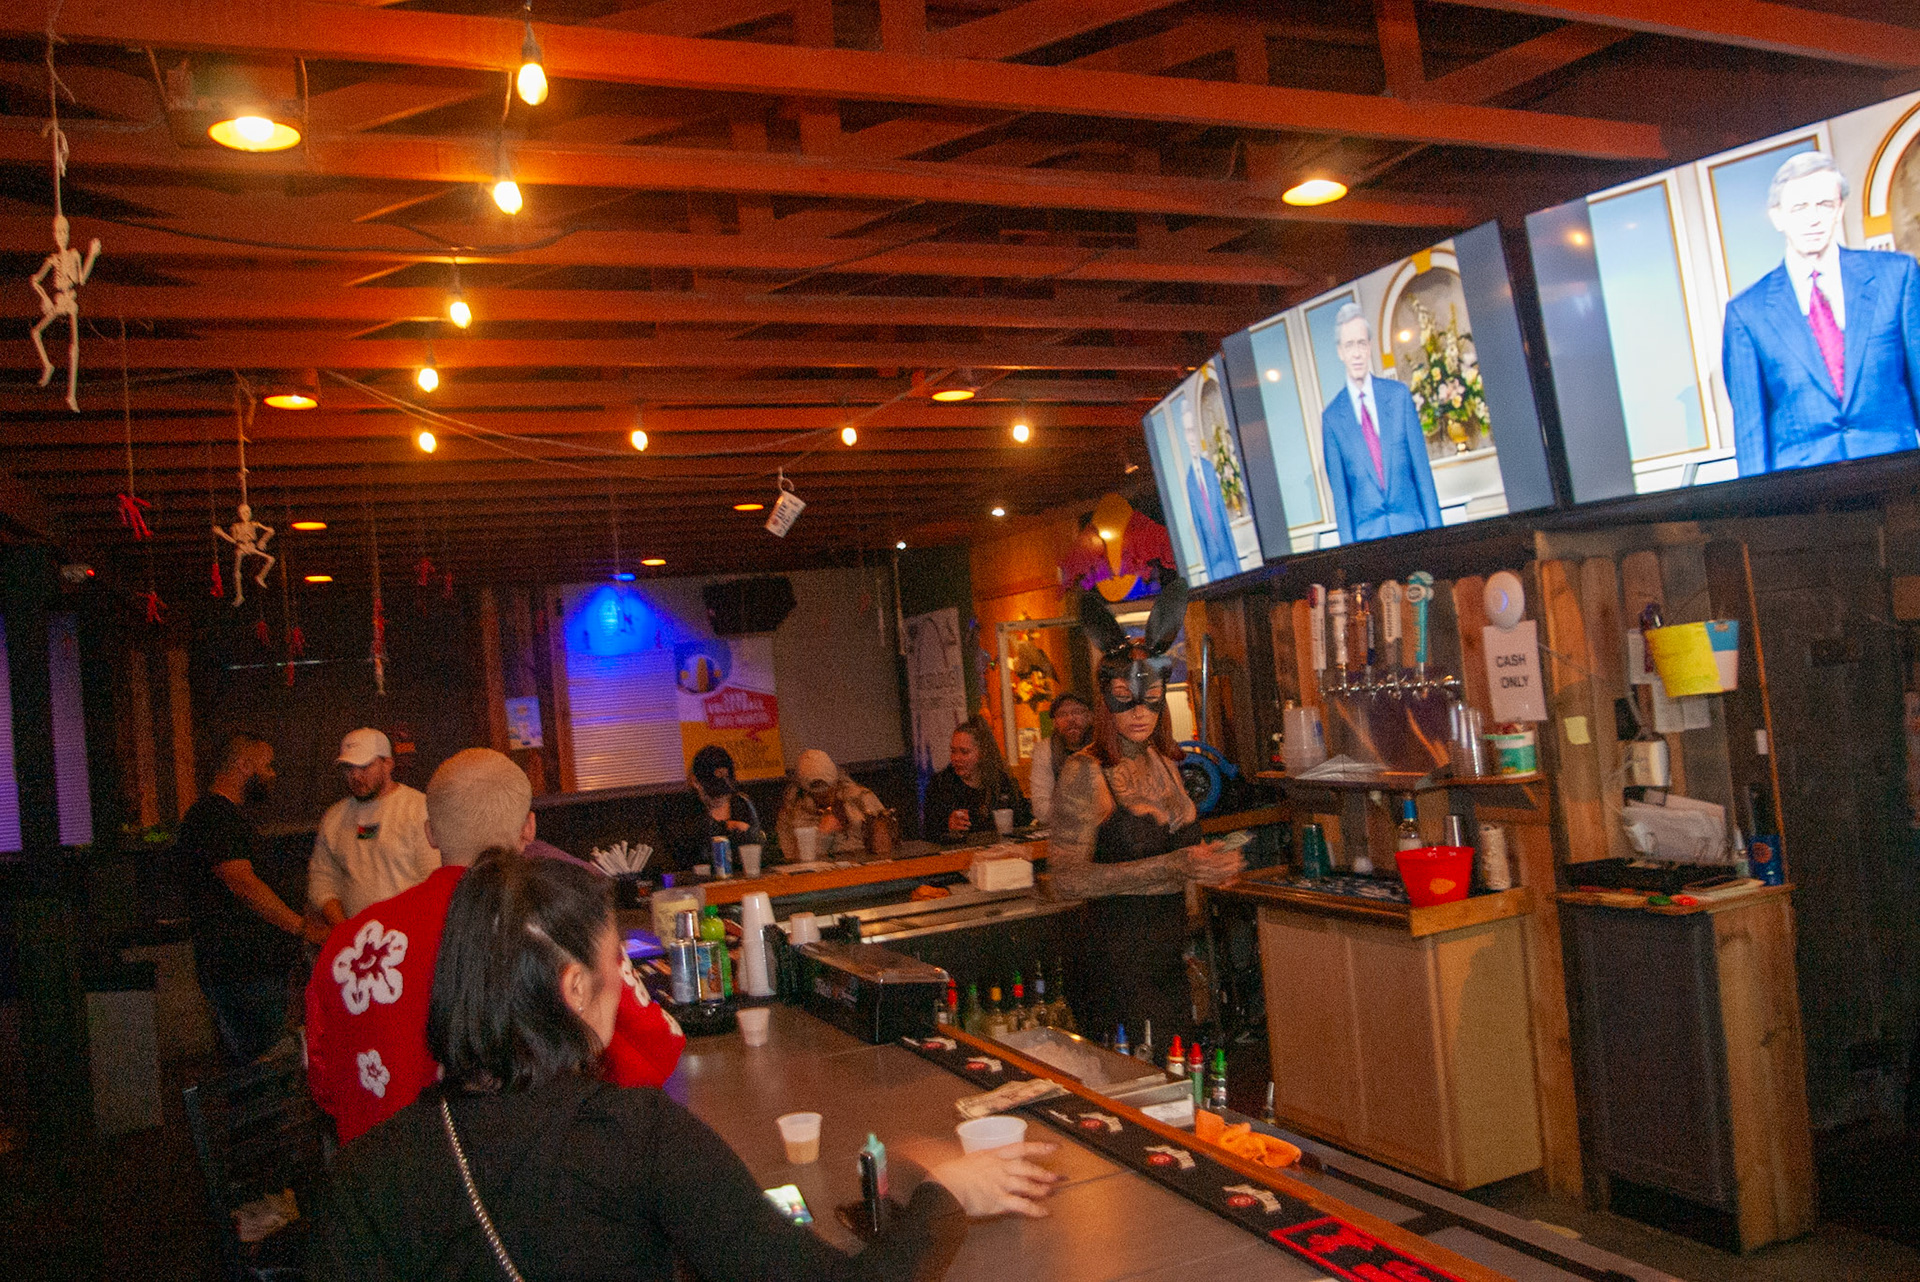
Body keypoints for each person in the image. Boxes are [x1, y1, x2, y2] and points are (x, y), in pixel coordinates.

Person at [311, 854, 1060, 1281]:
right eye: (615, 966)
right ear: (574, 990)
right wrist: (944, 1196)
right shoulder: (635, 1136)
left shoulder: (362, 1173)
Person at [306, 748, 684, 1144]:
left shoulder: (349, 947)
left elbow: (326, 1086)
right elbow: (654, 1049)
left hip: (384, 1172)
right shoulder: (564, 921)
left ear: (430, 832)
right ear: (529, 828)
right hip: (533, 1170)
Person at [1047, 582, 1243, 1043]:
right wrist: (1172, 866)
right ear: (1105, 699)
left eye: (1150, 696)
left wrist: (1212, 863)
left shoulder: (1164, 761)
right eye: (1124, 697)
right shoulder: (1086, 771)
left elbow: (1184, 850)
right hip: (1114, 965)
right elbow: (1065, 881)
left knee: (1181, 1073)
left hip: (1168, 959)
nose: (1139, 712)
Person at [1723, 151, 1920, 478]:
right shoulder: (1747, 312)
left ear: (1839, 209)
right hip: (1807, 496)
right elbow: (1750, 435)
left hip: (1898, 482)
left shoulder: (1896, 277)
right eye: (1799, 208)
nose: (1812, 219)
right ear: (1777, 217)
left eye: (1824, 205)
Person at [177, 734, 328, 1063]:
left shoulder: (229, 817)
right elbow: (244, 885)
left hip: (252, 974)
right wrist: (302, 928)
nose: (272, 774)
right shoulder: (214, 817)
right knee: (264, 1066)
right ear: (244, 765)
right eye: (267, 765)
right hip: (242, 975)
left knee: (265, 1062)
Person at [1320, 302, 1443, 545]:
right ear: (1340, 352)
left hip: (1414, 534)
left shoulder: (1399, 396)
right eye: (1349, 345)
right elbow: (1341, 503)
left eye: (1361, 343)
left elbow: (1423, 476)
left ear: (1369, 347)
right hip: (1370, 546)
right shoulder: (1332, 418)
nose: (1356, 353)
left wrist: (1440, 542)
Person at [308, 728, 438, 926]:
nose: (355, 776)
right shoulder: (334, 817)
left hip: (409, 932)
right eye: (349, 768)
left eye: (364, 766)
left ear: (388, 764)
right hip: (354, 935)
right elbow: (322, 880)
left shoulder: (419, 809)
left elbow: (434, 881)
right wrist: (343, 930)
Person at [923, 715, 1032, 838]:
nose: (956, 758)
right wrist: (947, 826)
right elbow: (928, 832)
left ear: (982, 753)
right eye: (953, 751)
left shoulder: (1001, 782)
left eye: (964, 752)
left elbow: (1023, 819)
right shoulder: (941, 784)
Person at [665, 744, 763, 869]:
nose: (722, 798)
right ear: (696, 782)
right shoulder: (683, 811)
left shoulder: (742, 804)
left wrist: (749, 833)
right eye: (715, 793)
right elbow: (685, 856)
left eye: (725, 792)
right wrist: (725, 827)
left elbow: (763, 849)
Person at [776, 748, 885, 857]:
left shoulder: (861, 799)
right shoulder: (792, 812)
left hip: (862, 862)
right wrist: (822, 834)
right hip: (818, 866)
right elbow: (792, 858)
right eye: (817, 794)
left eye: (830, 791)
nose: (825, 798)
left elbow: (884, 849)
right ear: (805, 790)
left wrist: (876, 827)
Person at [1028, 693, 1092, 827]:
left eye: (1077, 712)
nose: (1070, 719)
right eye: (1062, 714)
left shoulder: (1103, 746)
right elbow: (1040, 807)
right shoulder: (1045, 750)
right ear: (1055, 722)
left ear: (1089, 716)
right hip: (1064, 830)